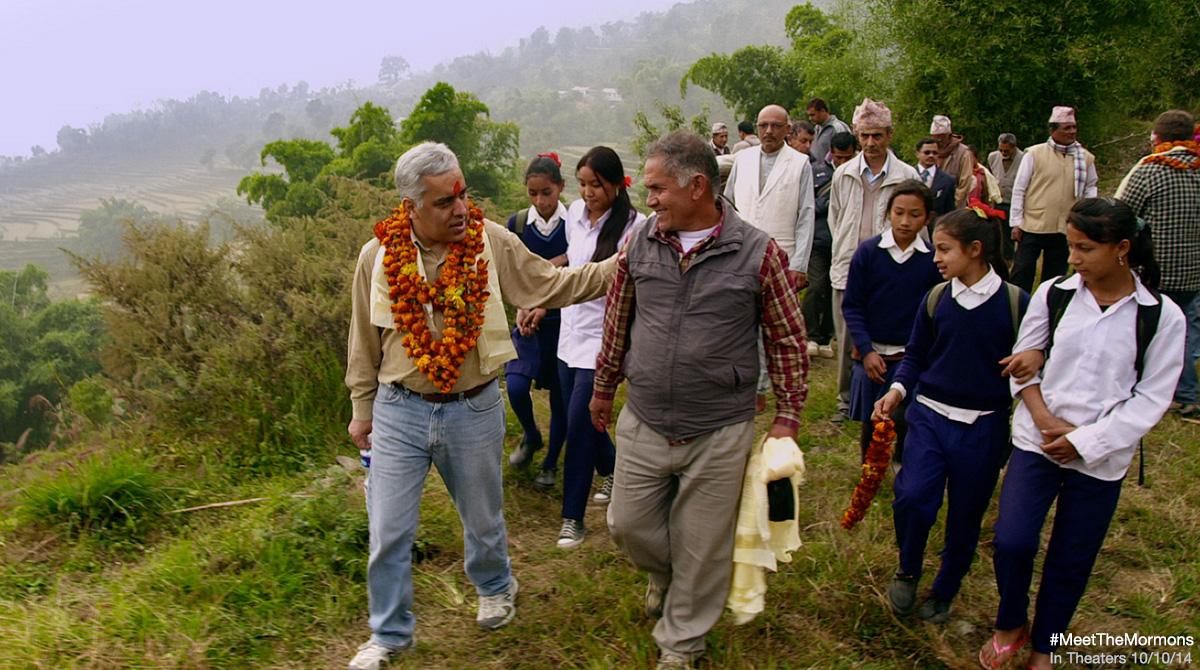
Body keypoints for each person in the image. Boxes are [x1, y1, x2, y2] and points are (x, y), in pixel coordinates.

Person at [344, 142, 618, 670]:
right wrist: (363, 407)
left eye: (463, 194)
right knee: (389, 529)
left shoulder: (490, 242)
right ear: (411, 206)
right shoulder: (377, 255)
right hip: (399, 408)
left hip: (473, 406)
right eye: (446, 202)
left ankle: (495, 585)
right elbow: (364, 336)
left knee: (483, 518)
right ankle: (389, 634)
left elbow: (549, 283)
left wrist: (617, 267)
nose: (462, 209)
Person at [590, 131, 808, 670]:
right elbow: (618, 319)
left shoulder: (758, 252)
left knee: (703, 541)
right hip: (644, 416)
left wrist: (788, 415)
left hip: (720, 425)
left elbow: (786, 338)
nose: (650, 200)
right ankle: (669, 580)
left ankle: (681, 643)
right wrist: (603, 384)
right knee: (628, 524)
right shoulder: (640, 242)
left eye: (659, 189)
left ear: (698, 187)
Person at [980, 198, 1184, 670]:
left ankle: (1046, 645)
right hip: (1037, 443)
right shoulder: (1055, 294)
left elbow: (1152, 399)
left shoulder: (1160, 316)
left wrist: (1086, 441)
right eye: (1070, 246)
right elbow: (1022, 365)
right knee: (1012, 540)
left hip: (1101, 460)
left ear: (1122, 249)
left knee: (1072, 556)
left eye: (1084, 248)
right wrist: (1048, 422)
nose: (1072, 258)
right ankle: (1011, 620)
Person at [873, 205, 1029, 625]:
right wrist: (897, 390)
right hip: (929, 417)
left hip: (984, 425)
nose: (936, 257)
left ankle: (946, 587)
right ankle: (908, 567)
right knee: (912, 496)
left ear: (975, 250)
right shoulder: (937, 298)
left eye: (944, 249)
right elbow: (917, 354)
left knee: (966, 513)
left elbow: (1032, 363)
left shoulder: (1016, 304)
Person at [555, 146, 645, 548]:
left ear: (615, 184)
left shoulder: (634, 226)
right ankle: (612, 468)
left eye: (596, 185)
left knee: (578, 426)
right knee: (581, 418)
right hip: (568, 334)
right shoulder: (574, 213)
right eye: (583, 184)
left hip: (603, 341)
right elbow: (571, 266)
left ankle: (572, 518)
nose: (588, 193)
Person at [828, 98, 920, 423]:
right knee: (847, 339)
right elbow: (835, 218)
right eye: (865, 136)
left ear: (890, 135)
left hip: (889, 269)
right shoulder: (844, 174)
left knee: (884, 336)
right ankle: (845, 401)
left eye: (877, 136)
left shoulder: (907, 175)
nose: (871, 143)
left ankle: (889, 396)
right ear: (856, 135)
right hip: (846, 266)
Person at [842, 179, 941, 464]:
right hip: (871, 351)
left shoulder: (932, 259)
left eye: (915, 214)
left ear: (928, 218)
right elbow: (853, 305)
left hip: (910, 354)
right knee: (872, 417)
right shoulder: (869, 252)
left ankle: (900, 462)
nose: (905, 221)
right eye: (898, 213)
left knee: (905, 414)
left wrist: (919, 352)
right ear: (888, 213)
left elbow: (933, 312)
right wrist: (867, 349)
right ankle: (869, 465)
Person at [725, 104, 815, 411]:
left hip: (783, 256)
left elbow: (806, 216)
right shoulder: (743, 159)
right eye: (763, 125)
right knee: (741, 323)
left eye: (776, 126)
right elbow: (731, 206)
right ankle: (752, 388)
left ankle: (781, 390)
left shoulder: (800, 163)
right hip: (742, 254)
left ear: (787, 130)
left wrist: (800, 264)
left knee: (778, 329)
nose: (768, 131)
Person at [1116, 109, 1200, 416]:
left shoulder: (1150, 171)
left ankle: (1151, 390)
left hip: (1158, 270)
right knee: (1186, 330)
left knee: (1148, 332)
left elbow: (1121, 215)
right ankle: (1187, 393)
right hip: (1194, 271)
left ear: (1157, 138)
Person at [504, 154, 570, 489]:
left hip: (563, 323)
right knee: (515, 386)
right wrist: (520, 306)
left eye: (547, 192)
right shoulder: (516, 225)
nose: (541, 201)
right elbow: (509, 272)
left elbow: (579, 266)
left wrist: (542, 304)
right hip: (527, 322)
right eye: (533, 193)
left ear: (561, 187)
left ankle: (550, 464)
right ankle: (531, 436)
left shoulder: (576, 224)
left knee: (560, 398)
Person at [1010, 106, 1099, 294]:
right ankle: (1017, 308)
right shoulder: (1034, 154)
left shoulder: (1085, 157)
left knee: (1056, 277)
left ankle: (1050, 311)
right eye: (1066, 128)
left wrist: (1088, 216)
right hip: (1033, 224)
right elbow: (1019, 188)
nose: (1072, 132)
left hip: (1065, 226)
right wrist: (1016, 222)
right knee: (1022, 270)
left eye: (1074, 127)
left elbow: (1091, 187)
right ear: (1052, 130)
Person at [803, 132, 857, 359]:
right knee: (815, 287)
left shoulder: (858, 174)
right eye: (839, 158)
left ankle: (826, 337)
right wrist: (829, 201)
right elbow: (808, 204)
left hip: (846, 241)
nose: (843, 163)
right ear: (831, 154)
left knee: (837, 290)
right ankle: (810, 335)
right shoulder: (816, 171)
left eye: (847, 158)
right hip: (820, 240)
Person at [988, 133, 1025, 260]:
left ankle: (1009, 259)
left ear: (1014, 147)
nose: (1003, 153)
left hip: (1014, 203)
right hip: (997, 203)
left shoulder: (1024, 158)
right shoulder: (993, 157)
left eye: (1006, 150)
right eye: (1001, 150)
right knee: (997, 233)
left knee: (1010, 237)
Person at [929, 115, 975, 207]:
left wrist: (950, 203)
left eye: (940, 139)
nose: (937, 142)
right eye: (934, 138)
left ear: (948, 136)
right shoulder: (930, 152)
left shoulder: (963, 153)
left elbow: (965, 184)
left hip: (953, 207)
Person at [915, 136, 957, 216]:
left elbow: (949, 211)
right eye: (927, 152)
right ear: (917, 154)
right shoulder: (907, 175)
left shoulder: (948, 181)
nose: (931, 156)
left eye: (935, 153)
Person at [808, 97, 852, 167]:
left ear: (823, 111)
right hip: (817, 172)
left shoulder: (837, 127)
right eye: (809, 115)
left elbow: (845, 151)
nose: (810, 118)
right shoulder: (816, 129)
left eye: (813, 115)